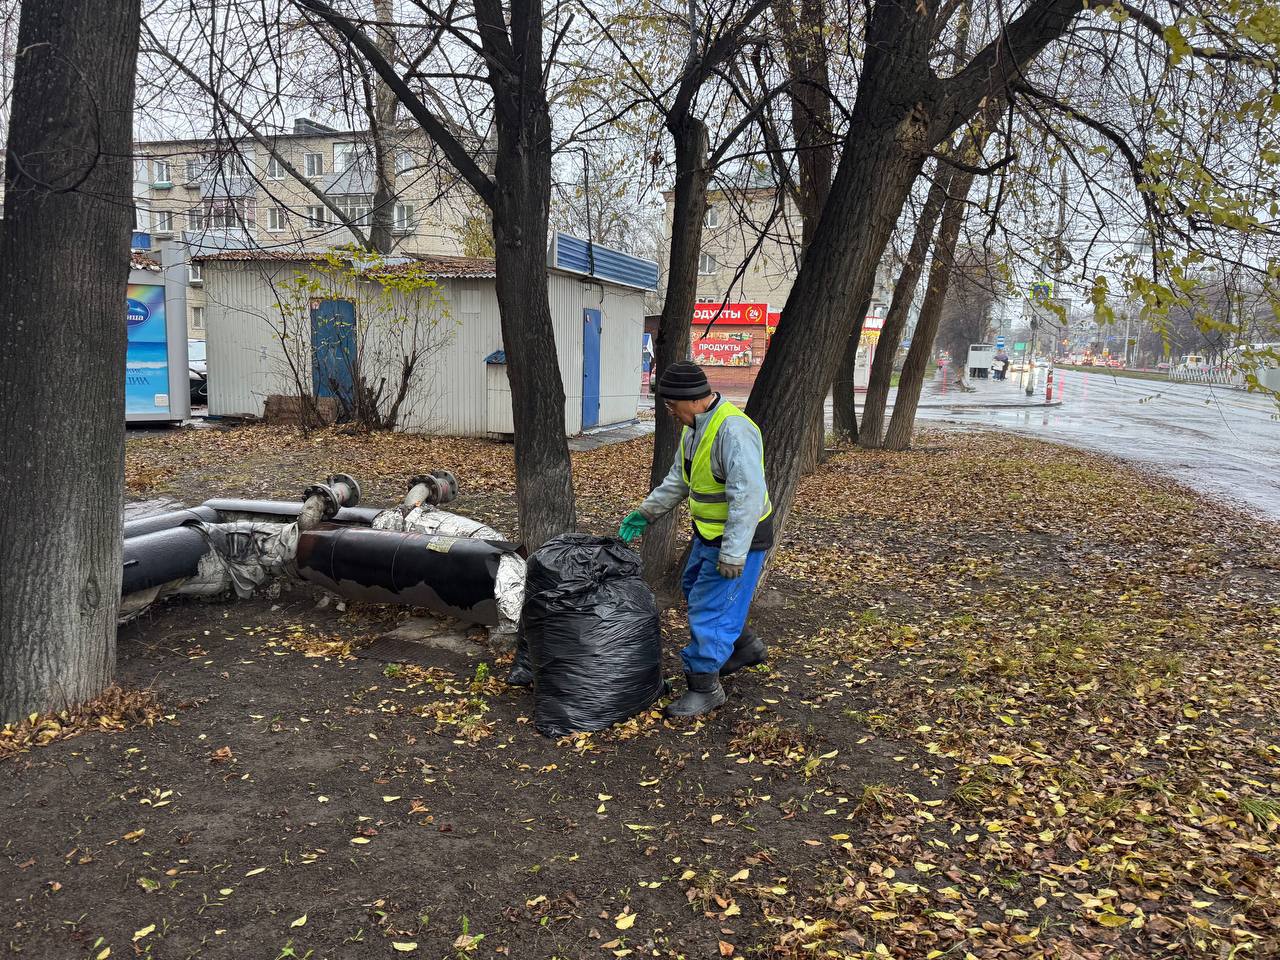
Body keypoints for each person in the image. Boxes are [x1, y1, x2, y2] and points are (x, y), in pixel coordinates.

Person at [618, 361, 771, 718]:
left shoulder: (733, 431)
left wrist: (734, 554)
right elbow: (679, 480)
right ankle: (744, 648)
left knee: (710, 606)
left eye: (672, 405)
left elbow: (746, 498)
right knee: (693, 587)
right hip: (711, 534)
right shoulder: (694, 429)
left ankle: (704, 687)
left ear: (691, 399)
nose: (670, 412)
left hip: (740, 539)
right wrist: (647, 513)